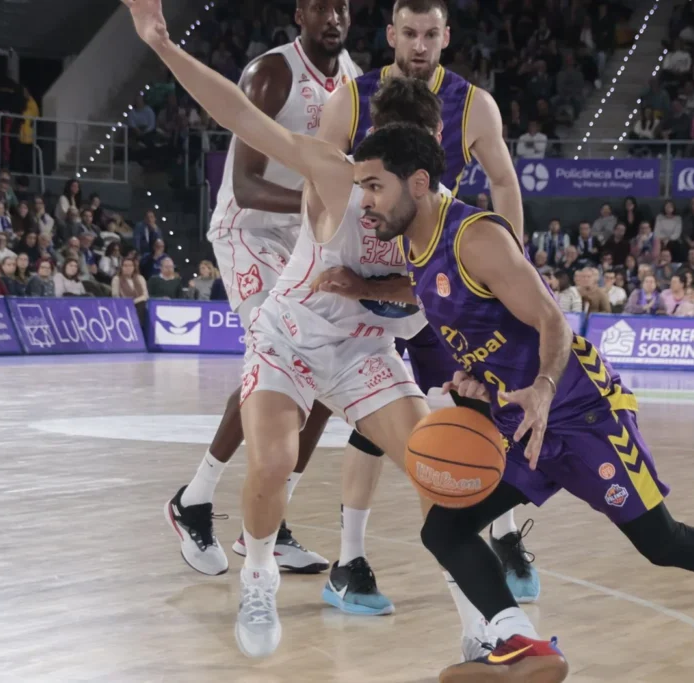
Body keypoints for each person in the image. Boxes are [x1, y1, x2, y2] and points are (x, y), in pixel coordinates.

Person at [125, 3, 549, 668]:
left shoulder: (444, 216)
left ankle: (481, 623)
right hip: (289, 339)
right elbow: (239, 113)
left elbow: (435, 286)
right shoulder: (334, 172)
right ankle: (258, 575)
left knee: (441, 474)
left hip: (363, 354)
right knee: (271, 462)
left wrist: (374, 289)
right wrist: (161, 45)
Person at [350, 122, 694, 683]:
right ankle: (518, 641)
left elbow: (551, 322)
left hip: (582, 410)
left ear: (417, 183)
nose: (364, 201)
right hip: (522, 420)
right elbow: (468, 315)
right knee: (444, 529)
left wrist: (540, 387)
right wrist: (476, 380)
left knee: (663, 542)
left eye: (373, 186)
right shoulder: (414, 246)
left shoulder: (474, 237)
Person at [315, 0, 538, 608]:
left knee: (478, 409)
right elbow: (314, 177)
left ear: (446, 36)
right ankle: (350, 558)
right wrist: (317, 247)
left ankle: (505, 534)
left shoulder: (473, 103)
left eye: (430, 34)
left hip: (432, 283)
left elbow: (504, 182)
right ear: (390, 34)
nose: (419, 45)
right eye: (409, 33)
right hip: (361, 280)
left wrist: (507, 266)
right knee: (373, 418)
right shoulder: (352, 98)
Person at [162, 0, 362, 581]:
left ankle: (271, 524)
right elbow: (246, 186)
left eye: (343, 6)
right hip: (248, 230)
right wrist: (321, 205)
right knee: (276, 363)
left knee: (330, 368)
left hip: (304, 231)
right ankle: (193, 499)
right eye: (323, 6)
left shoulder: (351, 79)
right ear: (302, 13)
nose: (335, 16)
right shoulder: (273, 73)